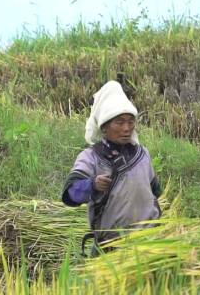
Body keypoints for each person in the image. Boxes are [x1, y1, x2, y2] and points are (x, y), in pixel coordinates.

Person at [61, 80, 162, 256]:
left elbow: (155, 192)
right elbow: (70, 195)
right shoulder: (92, 157)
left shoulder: (142, 155)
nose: (126, 128)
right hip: (112, 249)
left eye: (131, 122)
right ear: (105, 126)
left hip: (149, 244)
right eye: (120, 122)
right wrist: (92, 185)